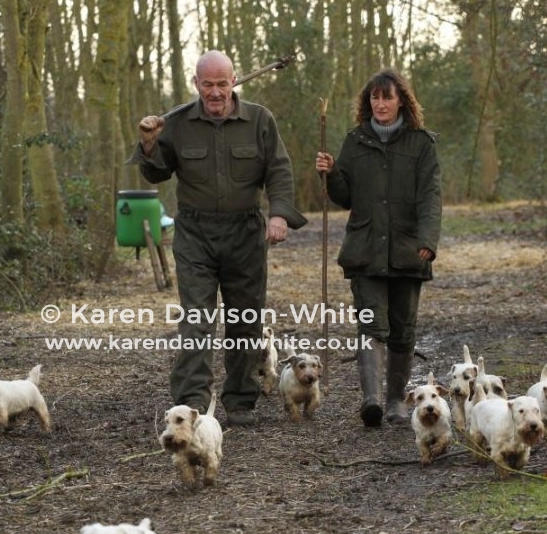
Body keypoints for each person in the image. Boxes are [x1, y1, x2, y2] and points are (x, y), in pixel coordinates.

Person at [129, 50, 307, 426]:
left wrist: (278, 214)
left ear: (234, 81)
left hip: (245, 232)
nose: (214, 92)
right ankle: (192, 402)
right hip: (195, 233)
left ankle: (240, 399)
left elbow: (279, 169)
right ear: (196, 84)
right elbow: (157, 174)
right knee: (197, 318)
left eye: (221, 84)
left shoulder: (259, 119)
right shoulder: (176, 122)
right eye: (207, 84)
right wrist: (148, 144)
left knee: (246, 317)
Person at [315, 68, 442, 427]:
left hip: (408, 249)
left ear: (401, 99)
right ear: (367, 102)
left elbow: (431, 198)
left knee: (403, 328)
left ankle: (395, 404)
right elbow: (343, 196)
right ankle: (371, 401)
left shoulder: (421, 144)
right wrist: (331, 172)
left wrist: (428, 241)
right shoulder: (355, 141)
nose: (380, 103)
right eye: (374, 97)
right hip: (365, 249)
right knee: (372, 324)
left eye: (387, 97)